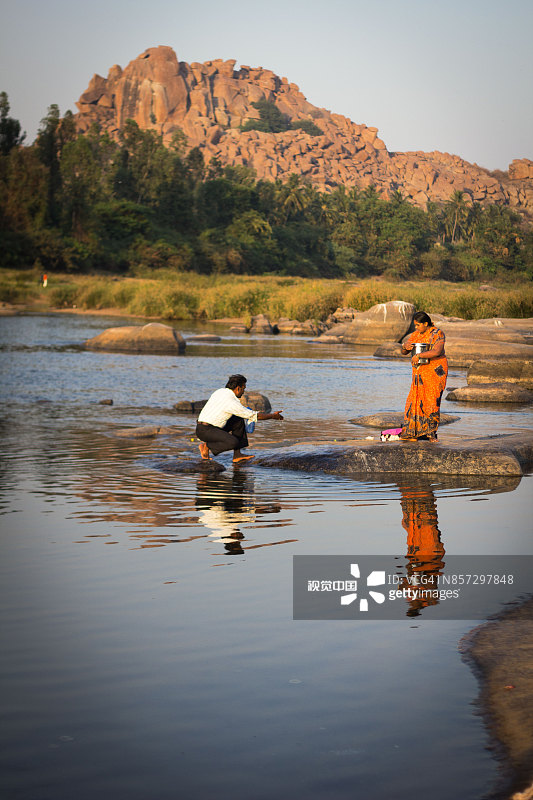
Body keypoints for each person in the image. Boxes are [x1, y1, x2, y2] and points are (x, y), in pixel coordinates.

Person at [196, 374, 284, 463]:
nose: (243, 392)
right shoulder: (231, 402)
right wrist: (273, 416)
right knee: (233, 442)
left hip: (207, 427)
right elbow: (255, 416)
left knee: (238, 419)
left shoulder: (220, 391)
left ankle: (237, 455)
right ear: (238, 388)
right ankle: (206, 446)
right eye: (243, 389)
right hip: (206, 430)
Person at [399, 311, 448, 442]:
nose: (416, 328)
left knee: (431, 401)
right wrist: (405, 347)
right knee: (414, 400)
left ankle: (431, 433)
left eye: (418, 325)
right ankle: (413, 432)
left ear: (426, 324)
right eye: (415, 325)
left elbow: (437, 351)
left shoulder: (437, 333)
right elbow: (404, 352)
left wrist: (420, 356)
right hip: (419, 373)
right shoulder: (416, 335)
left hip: (435, 371)